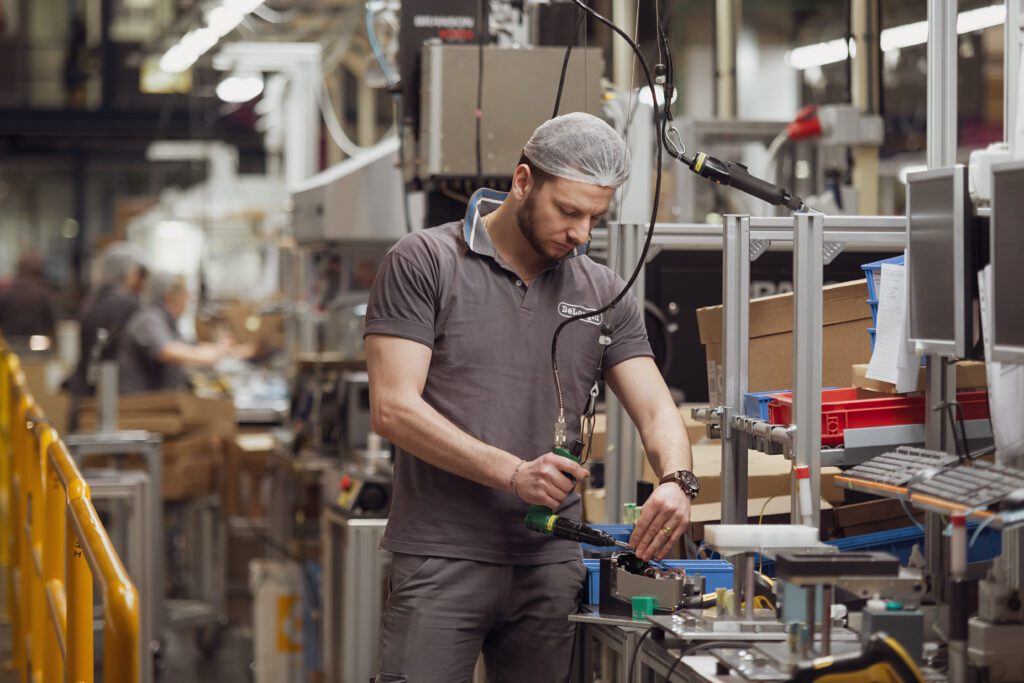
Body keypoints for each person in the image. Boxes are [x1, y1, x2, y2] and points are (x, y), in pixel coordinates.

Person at [365, 112, 696, 683]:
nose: (581, 233)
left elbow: (655, 408)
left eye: (596, 216)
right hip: (443, 557)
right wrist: (514, 473)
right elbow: (394, 407)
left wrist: (677, 480)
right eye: (568, 211)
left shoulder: (602, 290)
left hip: (548, 565)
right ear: (523, 181)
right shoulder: (424, 262)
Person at [117, 271, 250, 394]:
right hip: (142, 409)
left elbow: (190, 348)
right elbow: (166, 350)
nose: (189, 299)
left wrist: (222, 350)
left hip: (156, 404)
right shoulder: (149, 319)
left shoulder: (166, 321)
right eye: (186, 294)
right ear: (170, 296)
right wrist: (208, 356)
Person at [67, 242, 147, 400]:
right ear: (128, 271)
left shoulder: (92, 300)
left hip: (85, 387)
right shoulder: (126, 303)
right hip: (110, 390)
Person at [0, 251, 57, 340]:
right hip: (39, 345)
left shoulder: (6, 293)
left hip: (9, 344)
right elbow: (52, 324)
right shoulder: (43, 294)